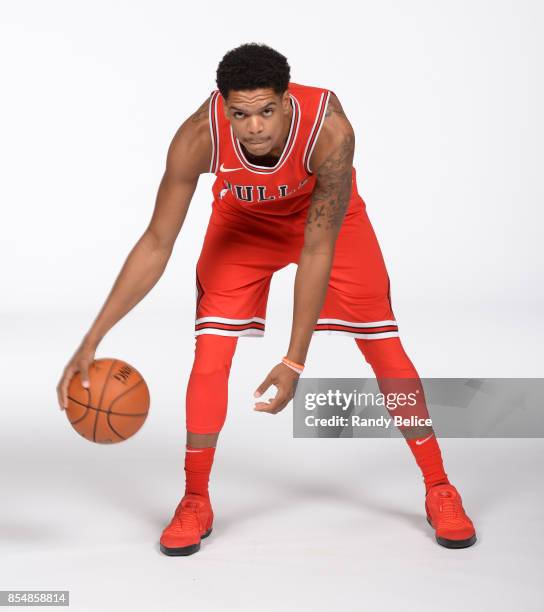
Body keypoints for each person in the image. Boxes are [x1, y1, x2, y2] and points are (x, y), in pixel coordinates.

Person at [57, 43, 476, 555]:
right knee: (210, 354)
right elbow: (156, 243)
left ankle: (439, 486)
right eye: (240, 113)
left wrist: (293, 359)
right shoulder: (197, 137)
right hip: (243, 223)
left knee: (384, 348)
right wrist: (92, 337)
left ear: (285, 101)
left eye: (266, 111)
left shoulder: (329, 131)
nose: (253, 127)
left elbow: (318, 249)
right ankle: (194, 498)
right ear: (224, 107)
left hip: (329, 223)